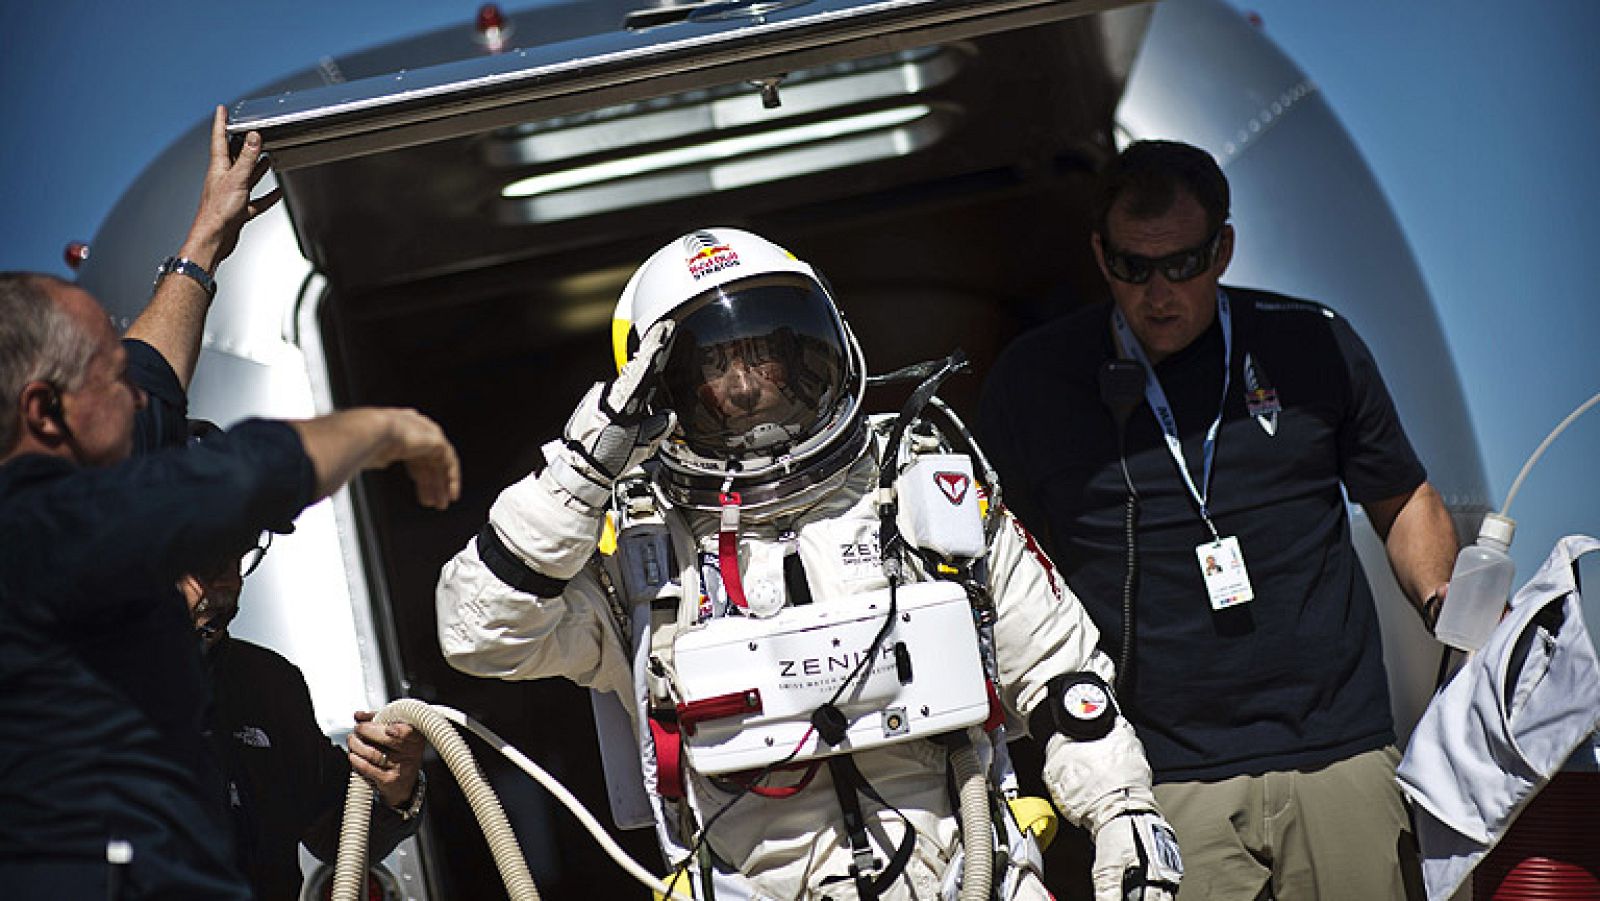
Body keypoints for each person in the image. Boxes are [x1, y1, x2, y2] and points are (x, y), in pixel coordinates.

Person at [436, 227, 1183, 901]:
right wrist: (583, 466)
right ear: (661, 393)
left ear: (816, 349)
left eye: (762, 353)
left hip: (972, 872)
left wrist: (1122, 813)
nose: (745, 386)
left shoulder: (921, 488)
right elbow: (481, 631)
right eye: (714, 365)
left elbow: (1059, 673)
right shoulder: (644, 559)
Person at [0, 105, 462, 899]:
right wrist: (382, 426)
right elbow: (238, 475)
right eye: (108, 378)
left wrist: (204, 241)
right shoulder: (35, 536)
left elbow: (153, 373)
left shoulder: (263, 685)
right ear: (45, 412)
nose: (145, 402)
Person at [978, 140, 1458, 900]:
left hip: (1337, 748)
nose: (1158, 292)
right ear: (1102, 257)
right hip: (1161, 776)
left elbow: (1404, 499)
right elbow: (994, 560)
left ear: (1223, 248)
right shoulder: (1033, 380)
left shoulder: (1312, 342)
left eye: (1183, 264)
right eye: (1134, 267)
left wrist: (1447, 607)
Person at [180, 421, 427, 901]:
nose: (228, 581)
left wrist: (395, 789)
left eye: (240, 552)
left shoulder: (268, 684)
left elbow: (340, 834)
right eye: (207, 553)